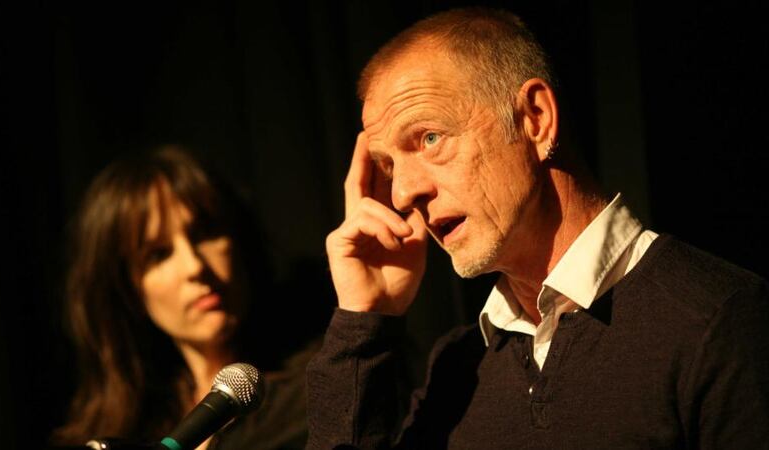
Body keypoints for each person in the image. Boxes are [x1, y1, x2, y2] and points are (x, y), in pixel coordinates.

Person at [306, 7, 769, 449]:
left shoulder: (717, 320)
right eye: (389, 167)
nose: (404, 193)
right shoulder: (460, 367)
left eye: (429, 138)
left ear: (536, 120)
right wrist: (363, 321)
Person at [52, 147, 314, 449]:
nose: (194, 267)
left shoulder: (316, 387)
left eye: (206, 233)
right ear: (128, 291)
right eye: (159, 254)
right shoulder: (125, 429)